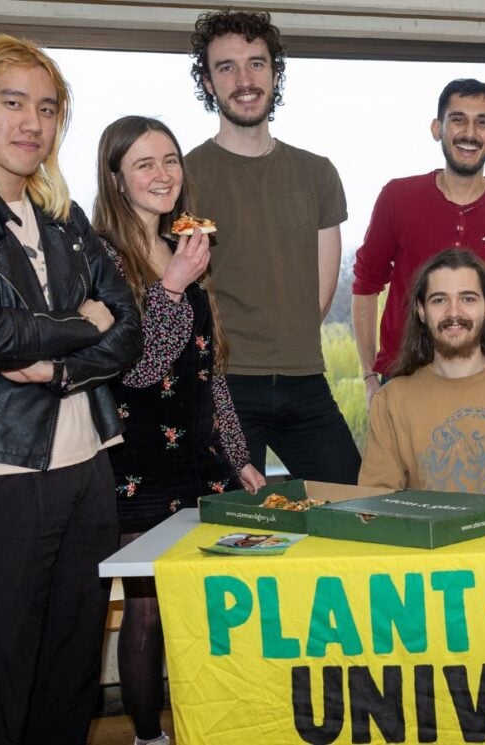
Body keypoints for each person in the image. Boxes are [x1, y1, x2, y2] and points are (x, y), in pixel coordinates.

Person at [0, 35, 142, 743]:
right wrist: (81, 323)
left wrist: (57, 364)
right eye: (12, 103)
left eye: (47, 109)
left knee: (71, 665)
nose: (32, 123)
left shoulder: (67, 220)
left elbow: (127, 331)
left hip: (88, 464)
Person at [92, 115, 266, 745]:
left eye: (170, 160)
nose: (163, 174)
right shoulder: (100, 257)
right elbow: (135, 371)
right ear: (116, 178)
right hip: (136, 462)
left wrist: (238, 454)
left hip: (199, 459)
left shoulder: (184, 246)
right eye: (144, 164)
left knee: (204, 601)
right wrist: (169, 286)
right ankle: (149, 737)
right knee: (147, 609)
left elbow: (206, 366)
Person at [185, 9, 359, 483]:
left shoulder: (317, 173)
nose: (244, 79)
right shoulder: (185, 177)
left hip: (306, 379)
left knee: (352, 504)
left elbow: (322, 291)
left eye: (256, 63)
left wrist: (286, 340)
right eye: (226, 67)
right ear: (207, 82)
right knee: (232, 530)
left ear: (275, 72)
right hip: (225, 385)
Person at [352, 78, 485, 403]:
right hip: (403, 380)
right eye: (458, 119)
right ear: (437, 128)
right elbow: (365, 284)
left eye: (482, 122)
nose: (470, 133)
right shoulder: (397, 198)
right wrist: (369, 377)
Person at [358, 248, 485, 495]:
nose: (454, 313)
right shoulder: (391, 401)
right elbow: (377, 503)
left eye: (467, 299)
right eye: (439, 300)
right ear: (421, 311)